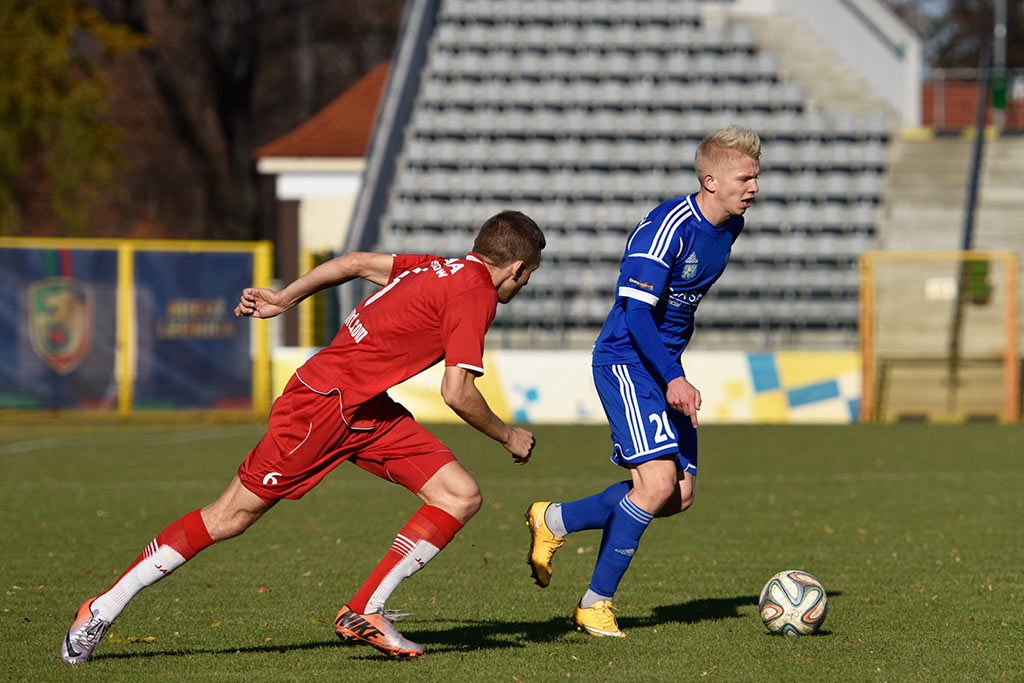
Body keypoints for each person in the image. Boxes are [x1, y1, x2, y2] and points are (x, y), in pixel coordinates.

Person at [61, 210, 545, 662]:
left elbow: (355, 262)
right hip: (322, 407)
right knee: (229, 516)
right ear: (517, 267)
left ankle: (365, 610)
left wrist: (284, 298)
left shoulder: (437, 267)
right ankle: (102, 607)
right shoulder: (474, 293)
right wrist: (508, 436)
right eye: (529, 275)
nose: (524, 284)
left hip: (365, 409)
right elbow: (457, 392)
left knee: (459, 495)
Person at [524, 126, 761, 637]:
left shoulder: (731, 226)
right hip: (627, 362)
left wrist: (672, 370)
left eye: (755, 177)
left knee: (678, 495)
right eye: (744, 178)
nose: (754, 188)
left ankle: (554, 520)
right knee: (654, 485)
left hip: (662, 365)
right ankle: (594, 604)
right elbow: (635, 313)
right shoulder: (666, 227)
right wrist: (674, 377)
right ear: (710, 180)